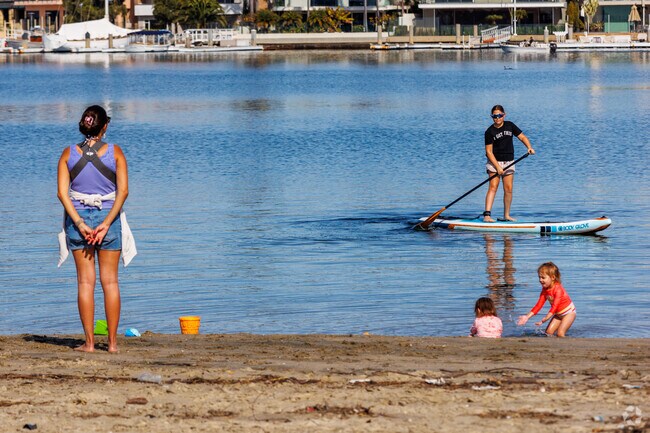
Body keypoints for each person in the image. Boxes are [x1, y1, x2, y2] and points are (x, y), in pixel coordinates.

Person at [57, 105, 131, 353]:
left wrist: (78, 222)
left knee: (85, 284)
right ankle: (111, 344)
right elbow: (123, 192)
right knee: (110, 282)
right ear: (105, 126)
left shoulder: (68, 154)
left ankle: (89, 343)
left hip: (78, 221)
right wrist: (107, 223)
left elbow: (62, 194)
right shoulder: (116, 152)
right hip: (107, 219)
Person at [483, 105, 535, 223]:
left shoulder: (510, 125)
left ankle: (506, 215)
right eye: (494, 116)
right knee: (493, 187)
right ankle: (487, 215)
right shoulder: (489, 132)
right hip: (494, 162)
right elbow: (489, 152)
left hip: (509, 161)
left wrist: (529, 147)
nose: (497, 118)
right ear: (492, 117)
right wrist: (497, 167)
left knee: (508, 189)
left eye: (499, 116)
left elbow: (522, 137)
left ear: (504, 115)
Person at [517, 262, 576, 337]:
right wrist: (527, 317)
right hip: (558, 314)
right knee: (548, 333)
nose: (540, 280)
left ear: (553, 278)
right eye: (539, 277)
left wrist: (546, 318)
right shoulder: (545, 290)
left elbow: (555, 306)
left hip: (569, 313)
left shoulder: (558, 289)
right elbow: (538, 305)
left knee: (560, 333)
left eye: (543, 278)